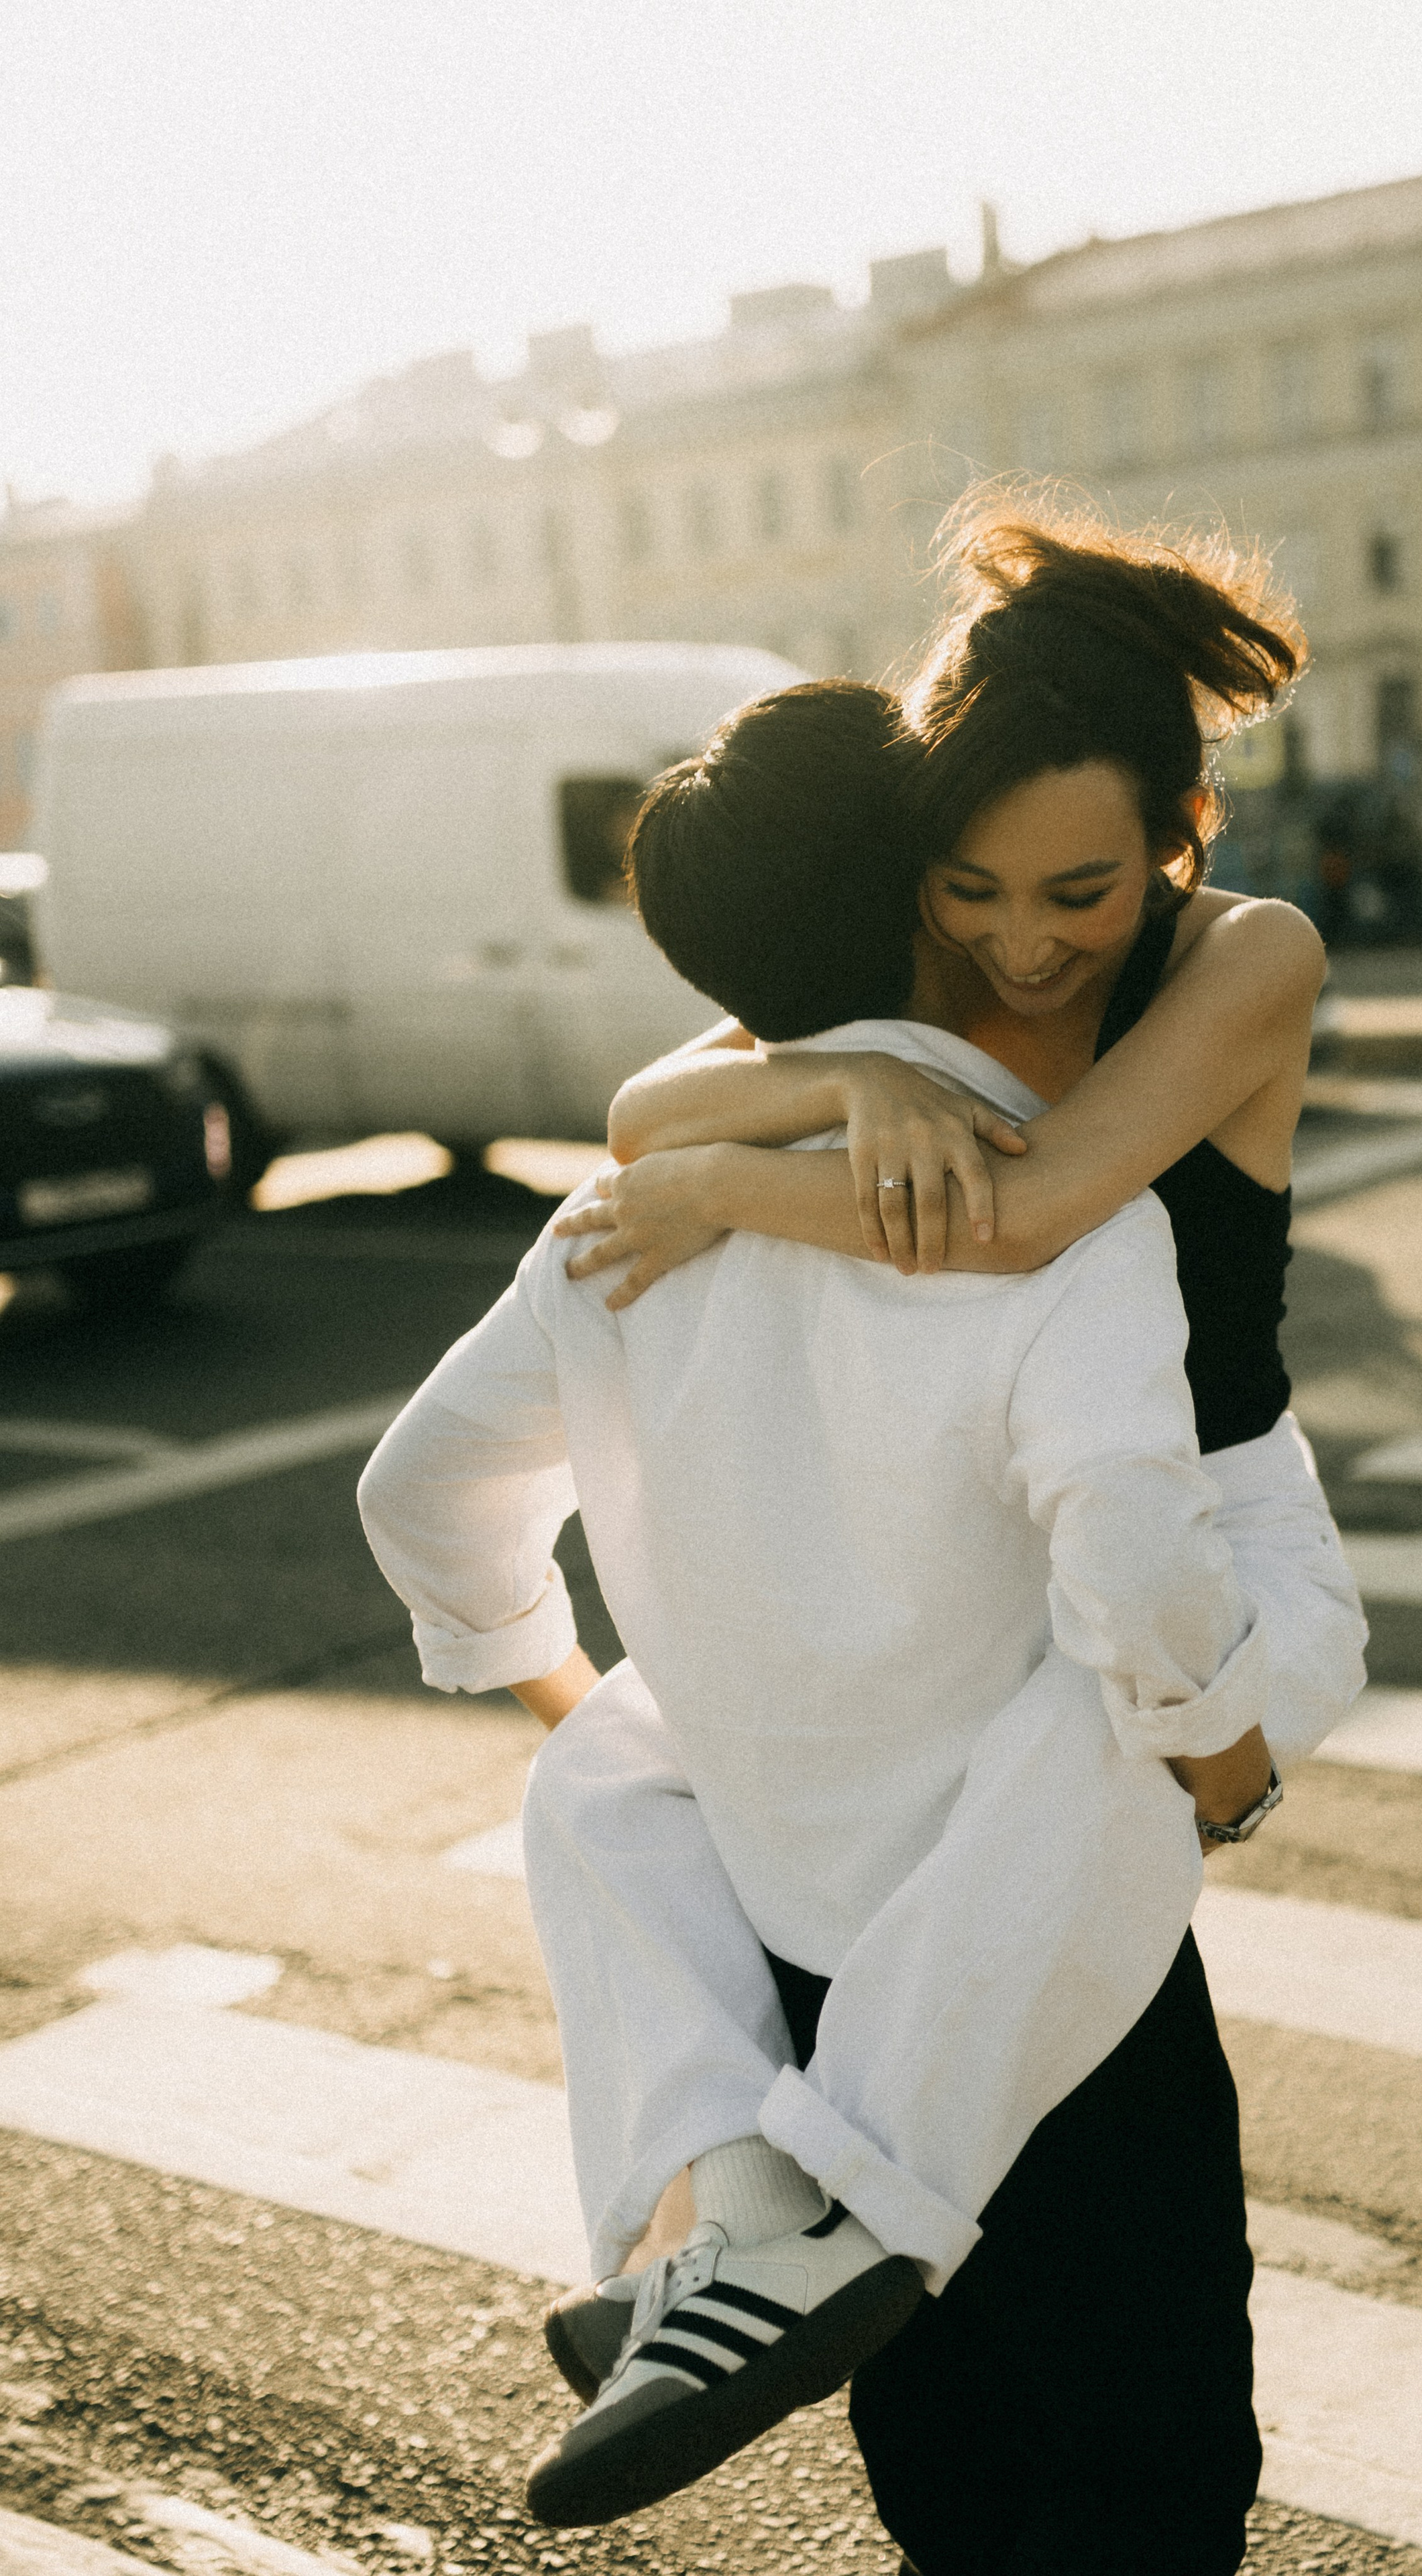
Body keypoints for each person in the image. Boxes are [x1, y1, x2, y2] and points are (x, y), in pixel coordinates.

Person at [358, 671, 1319, 2566]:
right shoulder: (1044, 1206)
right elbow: (1133, 1560)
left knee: (950, 2460)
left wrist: (579, 1694)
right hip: (1032, 1959)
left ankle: (743, 2229)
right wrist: (1226, 1756)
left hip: (794, 1925)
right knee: (1144, 2445)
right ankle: (806, 2239)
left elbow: (417, 1494)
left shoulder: (616, 1225)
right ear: (922, 888)